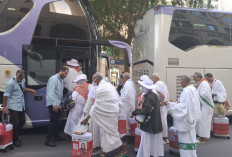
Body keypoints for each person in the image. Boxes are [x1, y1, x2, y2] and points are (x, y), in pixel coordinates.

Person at [81, 72, 123, 156]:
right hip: (112, 111)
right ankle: (104, 149)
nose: (92, 80)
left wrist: (86, 119)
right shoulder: (107, 85)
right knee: (105, 132)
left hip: (110, 113)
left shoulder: (101, 89)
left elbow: (95, 107)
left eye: (93, 78)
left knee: (111, 132)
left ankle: (119, 149)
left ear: (97, 79)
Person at [166, 75, 201, 157]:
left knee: (185, 142)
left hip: (185, 122)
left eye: (181, 81)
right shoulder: (194, 89)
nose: (180, 83)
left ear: (185, 81)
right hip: (192, 120)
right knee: (191, 141)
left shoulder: (186, 92)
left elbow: (182, 108)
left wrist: (169, 104)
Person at [2, 70, 35, 147]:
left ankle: (13, 136)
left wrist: (30, 90)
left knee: (22, 121)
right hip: (13, 105)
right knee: (15, 122)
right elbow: (5, 96)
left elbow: (22, 88)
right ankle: (15, 139)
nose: (20, 80)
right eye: (19, 78)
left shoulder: (23, 80)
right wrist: (4, 107)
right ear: (16, 75)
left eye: (21, 78)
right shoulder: (10, 83)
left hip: (21, 105)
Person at [132, 77, 164, 157]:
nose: (142, 88)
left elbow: (146, 110)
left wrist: (136, 112)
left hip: (149, 124)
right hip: (155, 122)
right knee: (153, 142)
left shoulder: (149, 97)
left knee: (146, 142)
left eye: (142, 87)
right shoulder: (153, 95)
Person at [45, 67, 69, 147]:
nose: (66, 75)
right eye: (65, 73)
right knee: (53, 122)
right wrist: (54, 104)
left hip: (58, 103)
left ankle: (56, 136)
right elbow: (50, 93)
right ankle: (48, 140)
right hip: (53, 104)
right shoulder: (54, 79)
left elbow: (60, 93)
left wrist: (62, 103)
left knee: (56, 121)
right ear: (61, 71)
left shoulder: (61, 80)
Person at [193, 72, 214, 143]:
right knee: (205, 122)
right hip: (205, 106)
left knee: (203, 122)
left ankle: (202, 139)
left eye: (194, 78)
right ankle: (205, 137)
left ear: (198, 77)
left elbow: (204, 94)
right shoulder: (203, 83)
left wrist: (195, 94)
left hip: (207, 106)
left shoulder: (204, 83)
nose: (194, 79)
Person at [151, 73, 169, 144]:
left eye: (153, 78)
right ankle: (162, 137)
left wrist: (161, 103)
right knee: (161, 121)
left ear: (157, 78)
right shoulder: (159, 84)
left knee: (163, 121)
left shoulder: (159, 84)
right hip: (161, 105)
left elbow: (162, 95)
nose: (152, 79)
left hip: (162, 106)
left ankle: (164, 138)